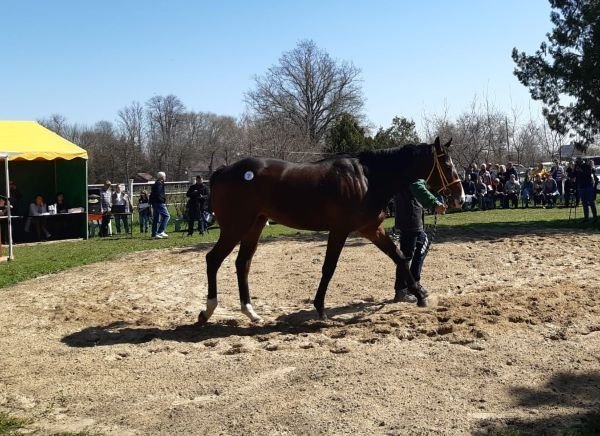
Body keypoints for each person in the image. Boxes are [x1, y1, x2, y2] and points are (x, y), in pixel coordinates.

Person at [393, 179, 447, 304]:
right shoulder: (412, 171)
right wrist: (435, 203)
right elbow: (417, 187)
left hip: (409, 217)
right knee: (407, 255)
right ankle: (405, 288)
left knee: (415, 249)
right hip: (411, 218)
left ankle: (411, 285)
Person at [574, 158, 597, 222]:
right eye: (577, 160)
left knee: (591, 202)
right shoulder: (576, 166)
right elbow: (573, 175)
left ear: (581, 160)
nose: (578, 161)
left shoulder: (586, 165)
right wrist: (574, 170)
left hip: (588, 186)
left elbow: (588, 174)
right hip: (581, 186)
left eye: (579, 160)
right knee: (584, 203)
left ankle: (595, 217)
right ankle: (586, 218)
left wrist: (581, 170)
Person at [150, 171, 170, 239]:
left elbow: (153, 193)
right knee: (166, 216)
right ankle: (160, 231)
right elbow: (158, 194)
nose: (165, 178)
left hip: (155, 203)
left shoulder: (156, 183)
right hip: (159, 203)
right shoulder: (159, 184)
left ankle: (154, 234)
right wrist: (162, 200)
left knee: (156, 219)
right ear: (162, 177)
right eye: (165, 176)